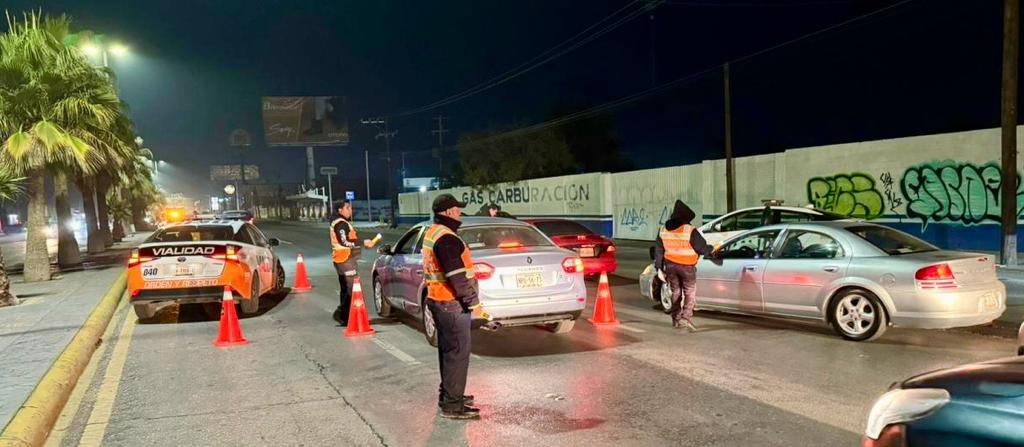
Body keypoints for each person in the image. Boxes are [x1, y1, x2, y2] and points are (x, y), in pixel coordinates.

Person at [422, 194, 487, 420]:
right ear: (448, 212)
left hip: (438, 300)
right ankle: (453, 404)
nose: (460, 212)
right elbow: (457, 277)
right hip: (451, 303)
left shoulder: (433, 232)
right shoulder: (448, 238)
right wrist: (473, 302)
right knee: (458, 354)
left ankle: (449, 394)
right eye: (458, 209)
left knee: (448, 352)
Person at [654, 200, 713, 332]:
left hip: (670, 266)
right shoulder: (690, 230)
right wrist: (711, 249)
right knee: (690, 292)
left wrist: (659, 267)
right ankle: (685, 318)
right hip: (687, 267)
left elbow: (659, 249)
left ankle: (676, 319)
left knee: (675, 292)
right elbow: (701, 248)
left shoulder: (663, 229)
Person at [330, 200, 374, 325]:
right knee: (352, 289)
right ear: (340, 210)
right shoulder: (341, 223)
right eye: (347, 207)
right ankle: (348, 317)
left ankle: (345, 316)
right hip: (345, 260)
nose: (350, 210)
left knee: (346, 288)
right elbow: (344, 241)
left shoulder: (340, 222)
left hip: (342, 259)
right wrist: (362, 243)